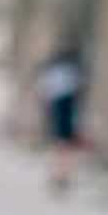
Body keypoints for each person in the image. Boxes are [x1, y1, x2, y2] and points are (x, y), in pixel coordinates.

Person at [37, 47, 86, 194]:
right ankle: (61, 175)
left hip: (57, 110)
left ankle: (59, 175)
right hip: (65, 110)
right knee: (64, 145)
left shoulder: (54, 73)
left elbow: (44, 91)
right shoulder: (72, 73)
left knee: (60, 145)